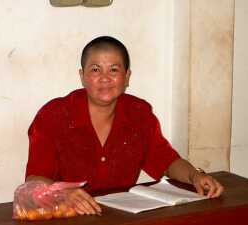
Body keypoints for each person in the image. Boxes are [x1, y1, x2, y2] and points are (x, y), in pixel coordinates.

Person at [25, 36, 224, 216]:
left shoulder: (139, 113)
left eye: (114, 69)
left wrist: (195, 175)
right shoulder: (54, 115)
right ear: (82, 75)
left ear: (127, 76)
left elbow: (167, 161)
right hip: (65, 216)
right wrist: (63, 193)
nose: (105, 78)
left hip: (120, 217)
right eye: (95, 69)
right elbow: (33, 180)